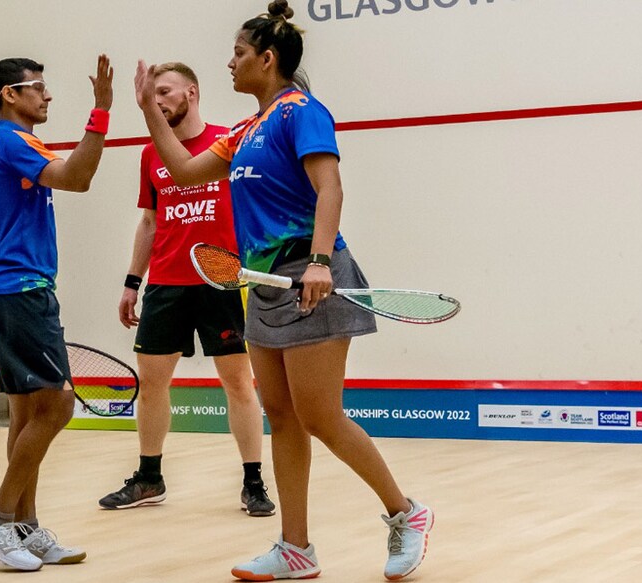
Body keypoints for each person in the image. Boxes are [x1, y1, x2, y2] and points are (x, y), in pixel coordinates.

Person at [133, 2, 433, 580]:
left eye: (239, 54)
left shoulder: (302, 112)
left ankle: (406, 512)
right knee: (281, 414)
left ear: (267, 60)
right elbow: (185, 170)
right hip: (265, 286)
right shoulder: (245, 130)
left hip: (313, 277)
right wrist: (150, 110)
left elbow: (330, 187)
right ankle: (294, 547)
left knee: (320, 414)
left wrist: (320, 260)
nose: (230, 63)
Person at [99, 62, 274, 517]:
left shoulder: (228, 141)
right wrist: (131, 282)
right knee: (153, 383)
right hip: (167, 284)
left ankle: (254, 483)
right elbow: (150, 221)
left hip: (223, 281)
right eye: (151, 94)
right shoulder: (150, 154)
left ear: (191, 92)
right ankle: (149, 477)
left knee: (238, 382)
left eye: (165, 91)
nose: (156, 100)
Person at [0, 55, 113, 572]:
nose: (47, 97)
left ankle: (23, 526)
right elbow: (77, 177)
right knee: (58, 406)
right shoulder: (12, 141)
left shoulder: (18, 144)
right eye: (38, 88)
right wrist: (101, 113)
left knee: (28, 413)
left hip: (9, 289)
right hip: (19, 289)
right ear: (10, 94)